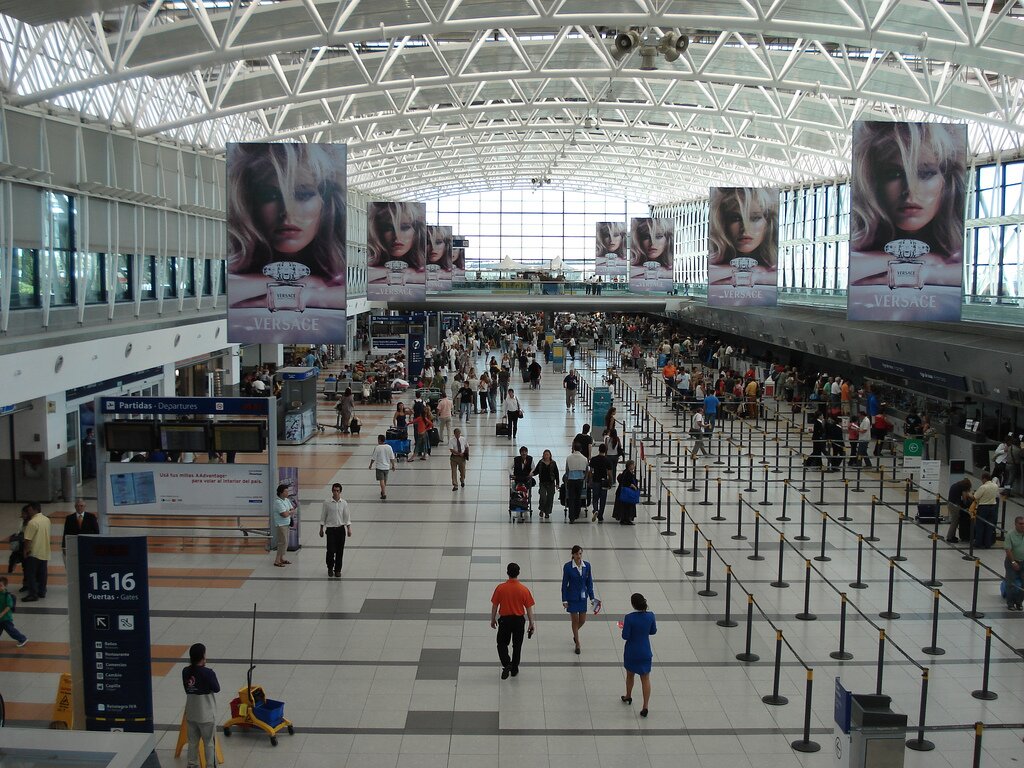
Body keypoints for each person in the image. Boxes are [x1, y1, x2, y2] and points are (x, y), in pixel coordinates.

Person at [848, 122, 967, 322]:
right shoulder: (860, 239)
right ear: (874, 182)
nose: (910, 190)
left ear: (946, 182)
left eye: (925, 173)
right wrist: (919, 263)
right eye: (894, 174)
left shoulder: (957, 246)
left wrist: (925, 272)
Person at [226, 144, 347, 311]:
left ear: (326, 204)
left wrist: (307, 296)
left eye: (303, 194)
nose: (287, 211)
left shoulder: (341, 261)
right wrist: (297, 283)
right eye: (270, 195)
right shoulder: (237, 255)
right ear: (250, 204)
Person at [707, 187, 779, 305]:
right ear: (724, 223)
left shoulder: (774, 266)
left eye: (755, 218)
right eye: (736, 218)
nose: (745, 228)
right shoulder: (713, 262)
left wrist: (759, 276)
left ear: (768, 222)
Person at [490, 562, 536, 679]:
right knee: (517, 645)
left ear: (507, 573)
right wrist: (531, 623)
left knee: (501, 643)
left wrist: (492, 619)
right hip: (519, 621)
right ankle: (514, 669)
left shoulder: (500, 588)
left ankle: (507, 663)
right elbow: (529, 608)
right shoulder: (524, 590)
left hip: (505, 621)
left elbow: (495, 605)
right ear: (518, 573)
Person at [367, 201, 429, 281]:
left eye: (405, 227)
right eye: (388, 228)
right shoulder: (369, 260)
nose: (397, 236)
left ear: (417, 232)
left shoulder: (425, 262)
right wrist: (393, 271)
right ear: (378, 232)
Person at [181, 642, 221, 768]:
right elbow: (216, 688)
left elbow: (187, 689)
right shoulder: (208, 673)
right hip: (206, 715)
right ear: (203, 656)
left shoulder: (185, 671)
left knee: (192, 742)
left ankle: (192, 764)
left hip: (191, 713)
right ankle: (210, 765)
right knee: (209, 742)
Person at [621, 592, 657, 717]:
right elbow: (653, 631)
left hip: (632, 651)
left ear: (633, 605)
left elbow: (625, 636)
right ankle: (645, 706)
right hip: (645, 651)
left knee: (630, 675)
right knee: (645, 679)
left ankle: (628, 696)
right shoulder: (651, 616)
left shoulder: (629, 618)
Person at [561, 545, 596, 655]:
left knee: (583, 620)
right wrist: (564, 600)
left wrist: (592, 597)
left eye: (580, 554)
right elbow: (564, 584)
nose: (579, 556)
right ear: (573, 554)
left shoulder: (587, 566)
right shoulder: (567, 567)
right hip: (572, 596)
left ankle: (575, 633)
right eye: (576, 554)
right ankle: (577, 643)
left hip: (582, 596)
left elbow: (589, 582)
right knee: (575, 620)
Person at [320, 483, 352, 577]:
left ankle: (338, 569)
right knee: (330, 550)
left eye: (338, 491)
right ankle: (330, 567)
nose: (336, 492)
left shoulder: (344, 503)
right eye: (334, 490)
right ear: (332, 491)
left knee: (340, 551)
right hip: (330, 530)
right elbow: (323, 516)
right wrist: (321, 528)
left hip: (340, 530)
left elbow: (347, 516)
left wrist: (349, 529)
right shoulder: (327, 503)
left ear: (340, 492)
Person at [20, 502, 50, 602]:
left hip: (34, 552)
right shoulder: (46, 520)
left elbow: (28, 539)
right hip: (44, 551)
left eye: (29, 510)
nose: (28, 512)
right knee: (43, 573)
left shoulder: (32, 522)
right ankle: (42, 591)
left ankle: (33, 594)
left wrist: (25, 551)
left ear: (34, 509)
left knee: (31, 574)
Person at [973, 472, 1001, 549]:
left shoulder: (983, 487)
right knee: (989, 526)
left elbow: (975, 496)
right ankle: (987, 543)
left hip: (983, 508)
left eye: (982, 479)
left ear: (984, 479)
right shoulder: (995, 486)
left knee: (980, 525)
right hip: (993, 508)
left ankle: (978, 543)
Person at [589, 444, 616, 523]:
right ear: (606, 450)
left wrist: (590, 480)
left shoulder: (594, 459)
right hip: (604, 481)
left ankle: (595, 510)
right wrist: (610, 482)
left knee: (595, 498)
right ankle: (600, 516)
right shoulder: (607, 460)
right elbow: (610, 473)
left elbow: (591, 471)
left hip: (595, 480)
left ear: (599, 450)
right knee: (603, 499)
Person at [564, 446, 589, 524]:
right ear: (581, 449)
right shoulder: (584, 458)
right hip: (580, 480)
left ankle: (571, 517)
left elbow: (567, 469)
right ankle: (576, 514)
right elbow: (586, 470)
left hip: (571, 480)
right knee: (578, 498)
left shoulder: (569, 458)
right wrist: (584, 478)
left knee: (571, 498)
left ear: (574, 449)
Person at [945, 477, 974, 544]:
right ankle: (949, 537)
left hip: (950, 504)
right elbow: (964, 499)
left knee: (955, 521)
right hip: (954, 506)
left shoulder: (956, 485)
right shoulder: (962, 488)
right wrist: (966, 504)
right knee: (954, 522)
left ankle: (953, 536)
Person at [533, 449, 560, 520]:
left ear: (550, 455)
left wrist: (557, 483)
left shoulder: (553, 463)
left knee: (550, 498)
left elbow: (556, 474)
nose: (546, 456)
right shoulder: (541, 463)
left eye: (547, 454)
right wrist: (531, 474)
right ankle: (542, 509)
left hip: (551, 483)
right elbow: (536, 471)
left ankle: (547, 512)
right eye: (545, 455)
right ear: (543, 455)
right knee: (543, 497)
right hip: (542, 483)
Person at [0, 577, 27, 647]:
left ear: (5, 586)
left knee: (11, 630)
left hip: (6, 618)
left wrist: (2, 614)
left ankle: (22, 639)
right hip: (1, 618)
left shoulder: (7, 595)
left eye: (0, 585)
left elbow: (9, 606)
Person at [1004, 516, 1024, 611]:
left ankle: (1019, 602)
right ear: (1015, 524)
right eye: (1020, 524)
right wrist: (1013, 562)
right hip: (1011, 562)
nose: (1022, 526)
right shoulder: (1010, 534)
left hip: (1023, 562)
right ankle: (1010, 603)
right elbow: (1008, 549)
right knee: (1010, 583)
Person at [271, 484, 294, 567]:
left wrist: (289, 512)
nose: (287, 493)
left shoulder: (286, 500)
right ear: (281, 492)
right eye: (286, 491)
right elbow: (284, 514)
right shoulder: (278, 502)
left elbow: (292, 509)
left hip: (286, 524)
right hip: (281, 525)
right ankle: (277, 560)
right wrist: (289, 512)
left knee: (285, 542)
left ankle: (281, 558)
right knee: (282, 542)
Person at [369, 434, 397, 500]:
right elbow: (392, 457)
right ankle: (383, 490)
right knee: (385, 480)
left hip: (379, 467)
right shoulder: (389, 447)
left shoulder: (377, 448)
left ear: (379, 440)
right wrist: (393, 465)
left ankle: (384, 493)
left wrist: (370, 465)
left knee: (381, 480)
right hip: (387, 467)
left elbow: (373, 458)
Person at [612, 461, 639, 525]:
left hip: (623, 492)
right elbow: (626, 482)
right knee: (627, 506)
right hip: (627, 493)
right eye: (633, 465)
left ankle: (624, 519)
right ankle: (626, 519)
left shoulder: (626, 472)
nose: (634, 466)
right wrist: (633, 486)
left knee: (625, 506)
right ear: (629, 466)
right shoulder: (627, 473)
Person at [449, 428, 469, 492]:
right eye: (456, 434)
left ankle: (462, 480)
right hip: (454, 458)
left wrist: (467, 454)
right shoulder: (451, 440)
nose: (458, 435)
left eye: (459, 433)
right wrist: (458, 453)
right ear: (454, 434)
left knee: (463, 471)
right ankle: (455, 485)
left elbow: (467, 446)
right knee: (454, 471)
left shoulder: (463, 439)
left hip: (462, 458)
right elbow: (451, 449)